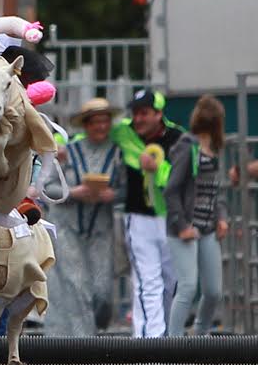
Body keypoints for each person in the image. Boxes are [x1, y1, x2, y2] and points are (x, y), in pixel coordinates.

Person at [42, 98, 122, 336]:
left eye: (105, 121)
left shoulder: (119, 153)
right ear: (86, 125)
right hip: (68, 226)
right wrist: (73, 192)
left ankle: (98, 325)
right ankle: (84, 346)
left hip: (101, 229)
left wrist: (113, 195)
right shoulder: (67, 152)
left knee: (102, 290)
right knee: (77, 285)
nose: (100, 127)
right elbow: (47, 188)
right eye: (95, 122)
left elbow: (129, 190)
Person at [111, 89, 184, 338]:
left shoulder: (178, 138)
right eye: (135, 113)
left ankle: (167, 334)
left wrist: (159, 169)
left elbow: (185, 175)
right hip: (139, 218)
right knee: (147, 280)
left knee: (171, 280)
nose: (138, 119)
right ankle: (149, 340)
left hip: (171, 219)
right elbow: (91, 134)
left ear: (159, 113)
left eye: (144, 113)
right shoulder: (123, 130)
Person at [165, 95, 229, 336]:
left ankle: (200, 333)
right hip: (185, 228)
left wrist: (221, 217)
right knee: (188, 286)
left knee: (213, 290)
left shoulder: (213, 150)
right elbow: (171, 189)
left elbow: (216, 190)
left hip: (208, 227)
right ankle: (173, 341)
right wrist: (181, 225)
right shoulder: (187, 146)